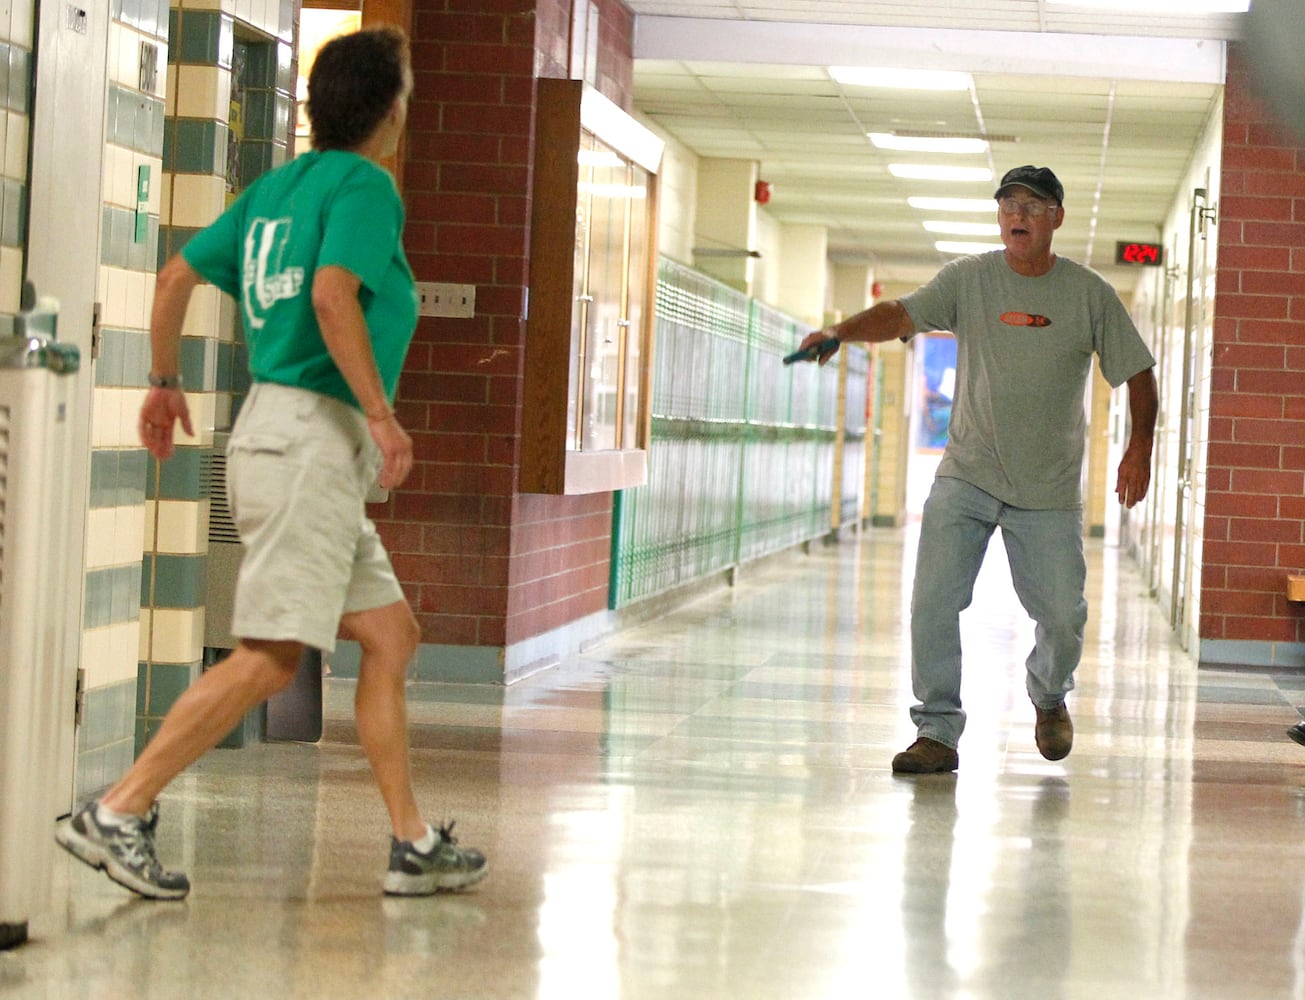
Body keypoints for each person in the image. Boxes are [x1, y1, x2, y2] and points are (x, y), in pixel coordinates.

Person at [56, 26, 487, 898]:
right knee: (271, 655)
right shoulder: (365, 185)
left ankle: (410, 842)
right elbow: (333, 296)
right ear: (392, 110)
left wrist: (166, 380)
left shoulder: (276, 188)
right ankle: (120, 808)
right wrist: (383, 416)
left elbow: (175, 274)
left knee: (388, 634)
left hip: (283, 439)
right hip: (310, 446)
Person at [793, 165, 1159, 775]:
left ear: (1056, 219)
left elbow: (1137, 372)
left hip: (1047, 487)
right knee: (933, 600)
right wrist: (841, 331)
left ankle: (1047, 694)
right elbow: (902, 315)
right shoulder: (969, 281)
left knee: (1062, 616)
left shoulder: (1089, 293)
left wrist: (1139, 445)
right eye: (1010, 204)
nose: (1019, 214)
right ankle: (936, 730)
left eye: (1034, 206)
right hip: (967, 473)